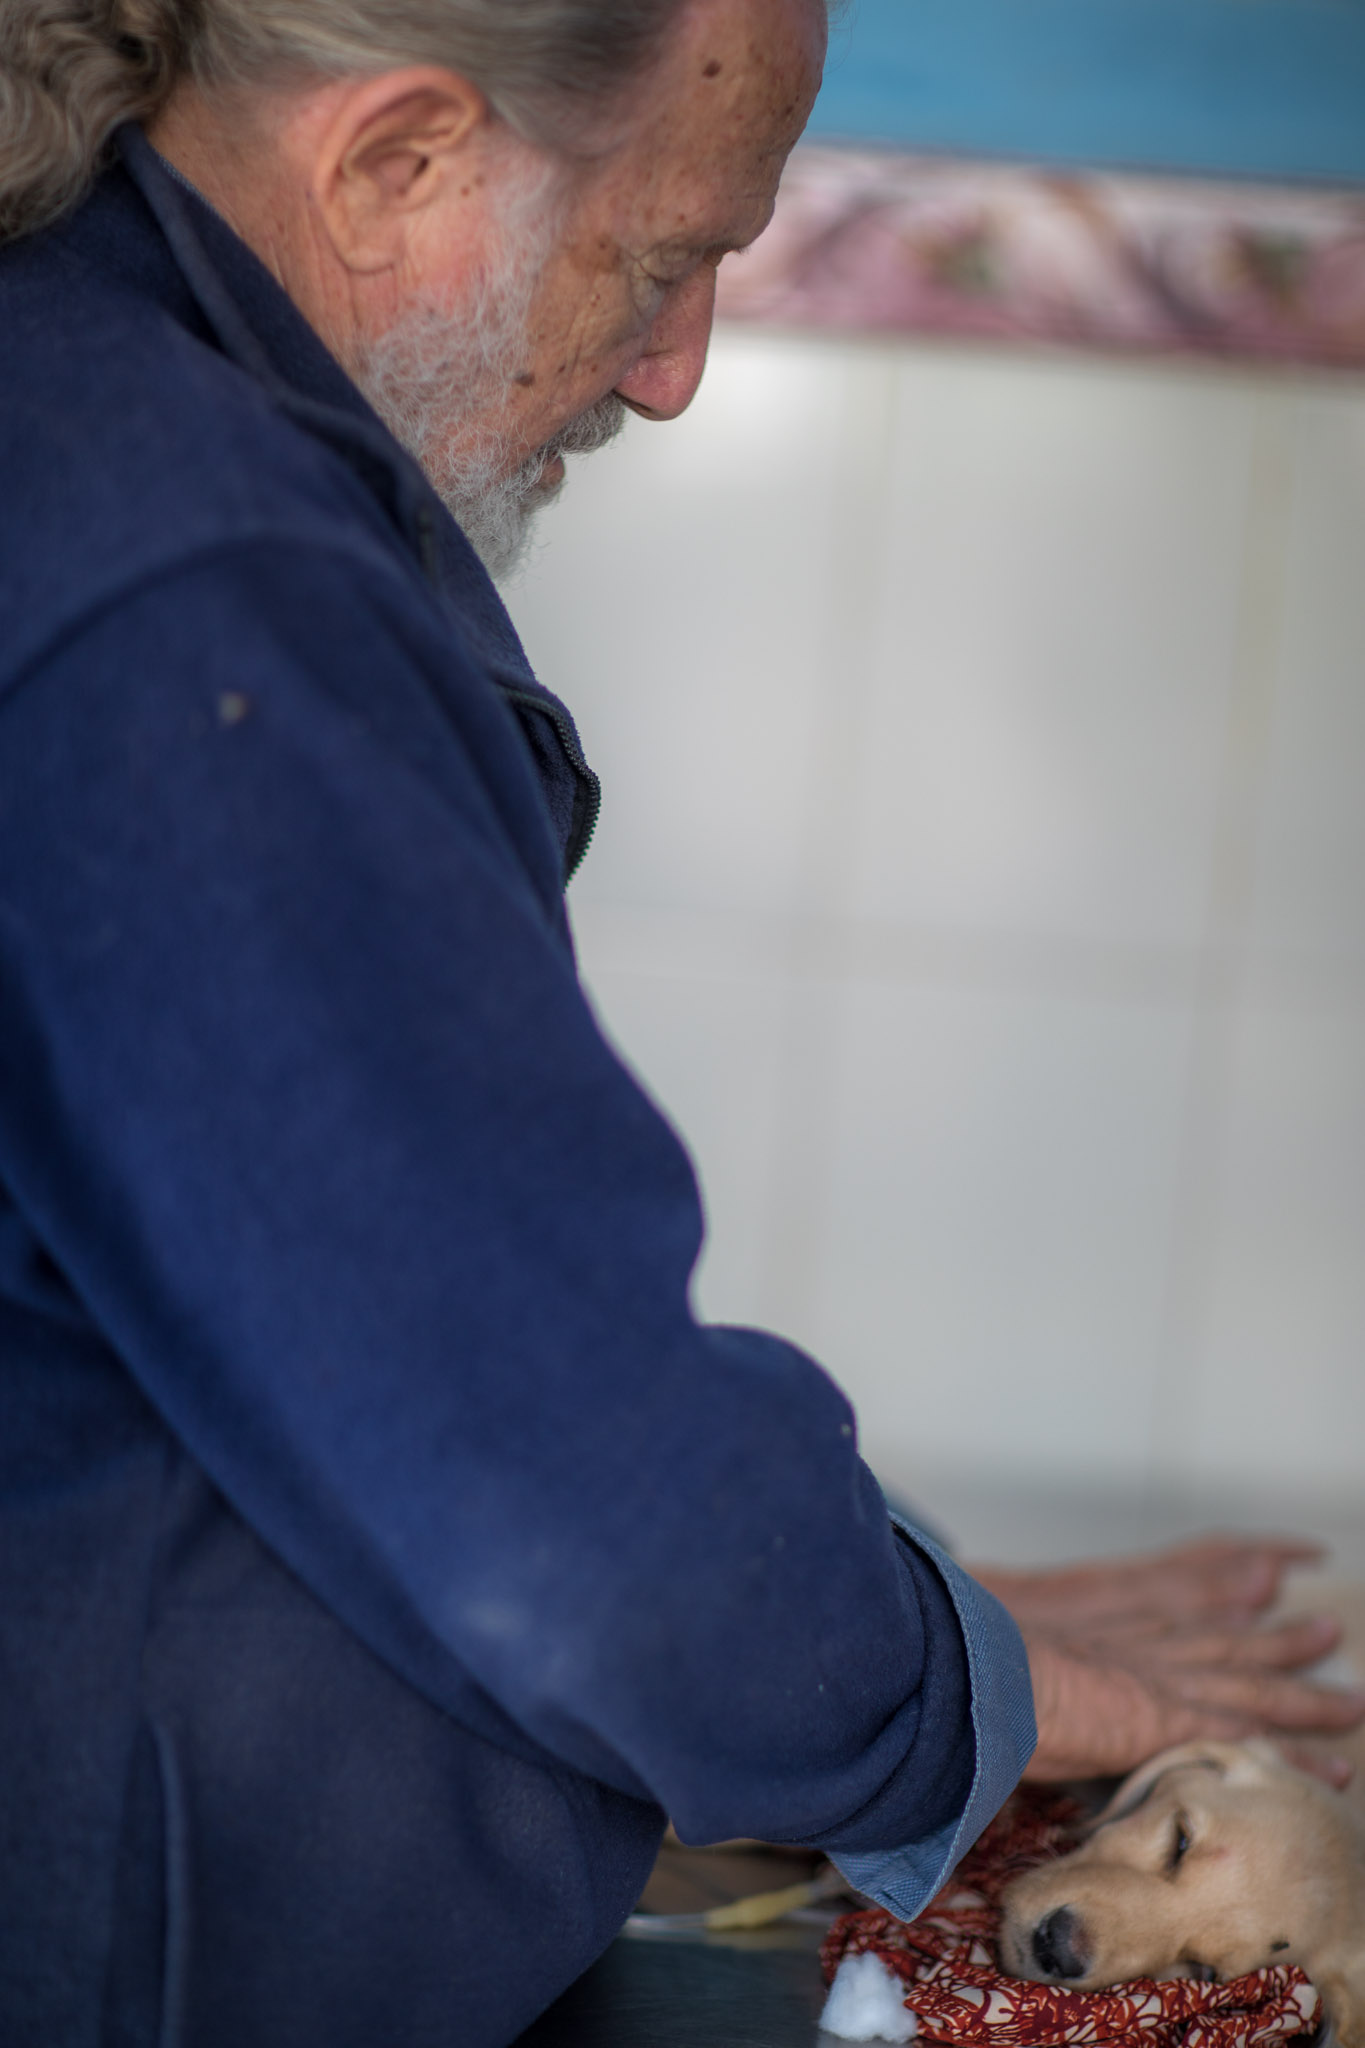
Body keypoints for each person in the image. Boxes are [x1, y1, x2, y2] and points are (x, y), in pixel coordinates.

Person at [0, 2, 1358, 2043]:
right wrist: (933, 1691)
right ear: (391, 162)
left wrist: (871, 1610)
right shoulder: (188, 576)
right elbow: (567, 1499)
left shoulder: (98, 418)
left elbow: (355, 1342)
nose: (675, 367)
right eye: (661, 260)